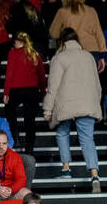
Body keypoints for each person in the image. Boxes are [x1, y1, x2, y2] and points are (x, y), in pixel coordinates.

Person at [43, 28, 102, 193]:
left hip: (66, 104)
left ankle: (66, 170)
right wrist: (95, 102)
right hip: (87, 103)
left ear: (61, 41)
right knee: (87, 139)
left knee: (62, 134)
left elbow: (52, 87)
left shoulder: (59, 58)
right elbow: (97, 84)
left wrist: (47, 109)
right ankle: (94, 174)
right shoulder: (88, 56)